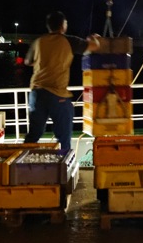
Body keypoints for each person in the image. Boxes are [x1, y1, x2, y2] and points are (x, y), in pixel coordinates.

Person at [24, 10, 100, 151]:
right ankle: (64, 164)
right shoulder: (69, 41)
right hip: (56, 93)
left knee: (34, 133)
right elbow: (94, 47)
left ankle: (20, 164)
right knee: (63, 134)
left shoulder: (39, 41)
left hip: (36, 92)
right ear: (63, 26)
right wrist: (93, 38)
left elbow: (28, 61)